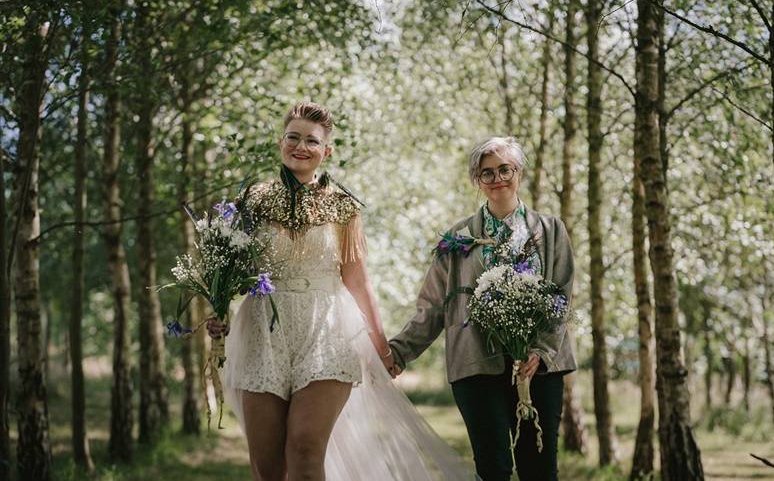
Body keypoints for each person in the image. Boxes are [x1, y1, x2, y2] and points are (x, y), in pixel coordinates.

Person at [209, 102, 473, 481]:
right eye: (293, 137)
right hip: (265, 330)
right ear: (280, 142)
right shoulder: (253, 199)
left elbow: (358, 280)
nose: (301, 146)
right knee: (267, 466)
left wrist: (382, 346)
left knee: (304, 447)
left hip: (327, 331)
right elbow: (231, 269)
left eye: (312, 141)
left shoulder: (343, 205)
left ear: (326, 151)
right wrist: (218, 311)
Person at [388, 136, 576, 481]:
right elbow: (431, 307)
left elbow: (560, 296)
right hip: (476, 369)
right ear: (477, 180)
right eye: (486, 173)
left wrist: (541, 351)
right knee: (494, 470)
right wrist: (398, 352)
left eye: (505, 169)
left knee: (540, 471)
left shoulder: (550, 230)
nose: (497, 178)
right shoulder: (457, 239)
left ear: (519, 171)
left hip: (540, 370)